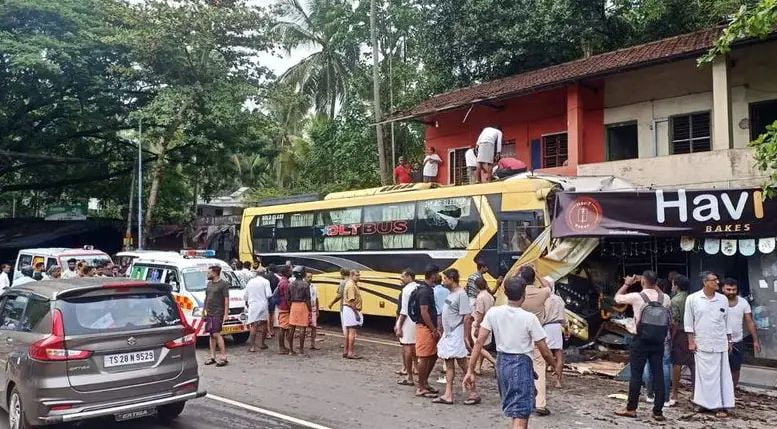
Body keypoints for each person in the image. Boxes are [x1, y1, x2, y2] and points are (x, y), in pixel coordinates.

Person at [464, 277, 557, 429]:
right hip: (521, 363)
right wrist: (554, 366)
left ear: (505, 293)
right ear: (523, 295)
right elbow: (545, 351)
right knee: (521, 413)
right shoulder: (529, 318)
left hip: (502, 363)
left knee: (516, 410)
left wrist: (470, 369)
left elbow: (479, 341)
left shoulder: (494, 313)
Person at [614, 271, 670, 421]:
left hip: (640, 340)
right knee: (658, 373)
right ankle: (658, 411)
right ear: (656, 282)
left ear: (643, 282)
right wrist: (651, 283)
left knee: (636, 374)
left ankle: (631, 408)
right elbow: (658, 292)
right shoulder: (665, 298)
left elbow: (617, 298)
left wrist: (627, 284)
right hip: (658, 340)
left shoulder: (637, 297)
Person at [684, 271, 735, 418]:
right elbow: (689, 323)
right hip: (701, 342)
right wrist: (691, 341)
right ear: (705, 282)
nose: (717, 283)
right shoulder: (692, 299)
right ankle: (702, 403)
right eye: (714, 280)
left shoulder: (722, 299)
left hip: (719, 342)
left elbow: (727, 322)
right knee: (702, 376)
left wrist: (729, 340)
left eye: (717, 280)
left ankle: (720, 406)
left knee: (720, 376)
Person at [433, 268, 480, 405]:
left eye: (445, 278)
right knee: (449, 364)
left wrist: (466, 337)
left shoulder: (461, 294)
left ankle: (473, 392)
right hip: (449, 334)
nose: (443, 281)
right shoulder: (451, 294)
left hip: (456, 333)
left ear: (452, 279)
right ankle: (448, 394)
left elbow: (466, 317)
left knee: (463, 364)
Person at [518, 266, 552, 416]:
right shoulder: (542, 293)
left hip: (520, 336)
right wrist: (538, 273)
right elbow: (549, 286)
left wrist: (516, 273)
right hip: (537, 335)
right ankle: (540, 403)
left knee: (519, 368)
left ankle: (520, 401)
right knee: (539, 368)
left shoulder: (519, 294)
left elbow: (507, 283)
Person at [722, 278, 761, 388]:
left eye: (733, 289)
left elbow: (749, 321)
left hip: (737, 341)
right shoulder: (717, 302)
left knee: (735, 368)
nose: (731, 292)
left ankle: (732, 391)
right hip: (719, 341)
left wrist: (755, 341)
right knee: (719, 369)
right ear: (722, 289)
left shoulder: (743, 302)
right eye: (728, 289)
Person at [642, 278, 673, 407]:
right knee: (665, 365)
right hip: (663, 337)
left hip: (646, 336)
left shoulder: (640, 298)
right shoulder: (666, 298)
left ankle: (650, 395)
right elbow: (670, 318)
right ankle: (665, 398)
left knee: (648, 364)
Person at [415, 265, 441, 398]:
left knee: (432, 355)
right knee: (424, 357)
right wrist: (433, 329)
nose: (438, 276)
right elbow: (424, 312)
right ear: (432, 275)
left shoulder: (427, 289)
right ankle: (420, 387)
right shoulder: (425, 291)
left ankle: (424, 382)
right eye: (437, 274)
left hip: (427, 327)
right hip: (425, 328)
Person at [670, 274, 694, 403]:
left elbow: (674, 322)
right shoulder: (692, 298)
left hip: (680, 333)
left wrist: (671, 338)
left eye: (673, 284)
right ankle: (696, 393)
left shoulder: (675, 301)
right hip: (693, 334)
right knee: (693, 363)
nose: (672, 287)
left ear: (676, 286)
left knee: (677, 363)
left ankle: (674, 393)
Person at [395, 269, 419, 387]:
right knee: (415, 347)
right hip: (417, 321)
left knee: (407, 347)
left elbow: (404, 311)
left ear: (409, 276)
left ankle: (409, 376)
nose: (401, 279)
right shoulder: (419, 287)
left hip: (408, 322)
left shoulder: (406, 290)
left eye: (403, 276)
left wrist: (399, 325)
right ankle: (417, 369)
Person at [203, 265, 230, 367]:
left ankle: (223, 357)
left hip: (218, 312)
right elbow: (206, 297)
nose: (208, 274)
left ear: (215, 273)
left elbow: (226, 299)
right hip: (209, 312)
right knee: (211, 334)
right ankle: (212, 356)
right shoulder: (209, 284)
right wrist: (203, 311)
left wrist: (226, 314)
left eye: (209, 272)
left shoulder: (223, 284)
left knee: (216, 334)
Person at [543, 277, 567, 388]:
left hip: (545, 327)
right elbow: (564, 317)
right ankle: (558, 381)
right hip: (557, 327)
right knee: (559, 355)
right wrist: (566, 329)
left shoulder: (543, 299)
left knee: (543, 355)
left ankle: (542, 380)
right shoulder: (559, 299)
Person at [471, 277, 495, 375]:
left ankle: (494, 362)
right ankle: (478, 367)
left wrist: (477, 326)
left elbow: (480, 313)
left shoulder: (480, 297)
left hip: (481, 324)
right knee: (483, 346)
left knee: (478, 345)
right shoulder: (490, 296)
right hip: (489, 323)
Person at [244, 270, 272, 352]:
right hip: (263, 305)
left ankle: (252, 346)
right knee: (264, 324)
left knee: (253, 325)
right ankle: (262, 344)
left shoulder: (250, 282)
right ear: (264, 274)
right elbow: (269, 294)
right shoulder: (265, 282)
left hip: (253, 305)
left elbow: (245, 296)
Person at [287, 266, 311, 355]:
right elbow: (308, 298)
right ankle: (301, 350)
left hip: (293, 306)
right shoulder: (305, 284)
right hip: (303, 305)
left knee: (291, 328)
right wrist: (310, 309)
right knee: (302, 328)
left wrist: (291, 307)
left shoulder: (290, 284)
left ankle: (290, 349)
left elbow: (288, 298)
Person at [433, 271, 450, 385]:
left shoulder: (433, 291)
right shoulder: (447, 291)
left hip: (437, 316)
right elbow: (449, 302)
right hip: (447, 316)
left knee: (436, 338)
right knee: (445, 338)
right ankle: (445, 363)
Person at [342, 270, 364, 359]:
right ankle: (350, 352)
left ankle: (346, 351)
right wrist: (356, 314)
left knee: (348, 332)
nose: (359, 277)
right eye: (357, 275)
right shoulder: (351, 285)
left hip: (348, 309)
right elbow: (352, 302)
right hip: (351, 309)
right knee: (352, 332)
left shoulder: (351, 284)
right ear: (351, 275)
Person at [329, 268, 352, 342]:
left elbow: (339, 295)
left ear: (342, 274)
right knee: (351, 326)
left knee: (345, 327)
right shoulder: (352, 281)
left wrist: (331, 303)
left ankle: (346, 344)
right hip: (352, 307)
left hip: (344, 307)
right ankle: (350, 342)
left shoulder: (343, 282)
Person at [274, 265, 293, 354]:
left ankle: (284, 346)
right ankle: (282, 347)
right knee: (283, 328)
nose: (291, 272)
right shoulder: (285, 283)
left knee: (285, 327)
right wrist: (290, 307)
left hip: (282, 306)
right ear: (286, 272)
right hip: (285, 307)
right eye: (290, 270)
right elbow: (287, 297)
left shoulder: (283, 281)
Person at [263, 264, 280, 340]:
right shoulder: (276, 278)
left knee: (266, 315)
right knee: (272, 314)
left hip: (265, 297)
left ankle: (268, 332)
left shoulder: (265, 277)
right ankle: (272, 330)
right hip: (273, 297)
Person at [306, 271, 320, 350]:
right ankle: (302, 343)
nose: (310, 278)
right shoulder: (303, 286)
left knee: (314, 327)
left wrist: (317, 309)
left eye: (311, 277)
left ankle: (312, 344)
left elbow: (316, 298)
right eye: (308, 277)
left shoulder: (313, 287)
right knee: (304, 327)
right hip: (305, 309)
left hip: (313, 308)